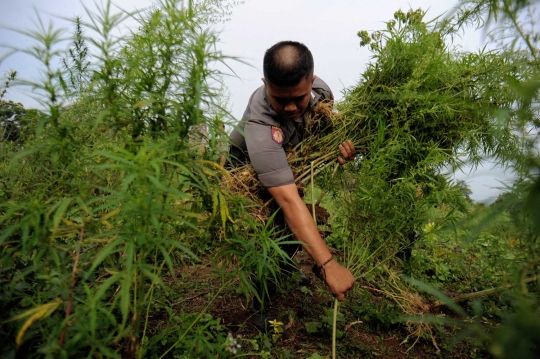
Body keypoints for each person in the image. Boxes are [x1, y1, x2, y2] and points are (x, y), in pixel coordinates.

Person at [228, 41, 356, 330]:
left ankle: (283, 267)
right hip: (244, 170)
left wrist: (341, 147)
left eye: (298, 98)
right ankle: (258, 304)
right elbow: (287, 201)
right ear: (265, 84)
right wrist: (328, 265)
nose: (289, 107)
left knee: (289, 227)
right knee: (269, 229)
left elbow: (320, 129)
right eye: (279, 99)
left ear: (311, 81)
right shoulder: (261, 126)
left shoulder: (321, 93)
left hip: (285, 159)